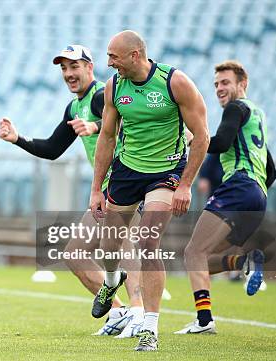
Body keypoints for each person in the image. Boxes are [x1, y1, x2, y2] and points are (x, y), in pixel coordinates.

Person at [0, 45, 145, 338]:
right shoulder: (75, 106)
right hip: (106, 189)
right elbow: (53, 148)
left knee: (122, 243)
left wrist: (96, 125)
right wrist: (17, 139)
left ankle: (140, 312)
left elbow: (131, 124)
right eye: (64, 68)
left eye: (74, 66)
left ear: (90, 67)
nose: (68, 74)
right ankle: (119, 312)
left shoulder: (105, 94)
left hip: (130, 180)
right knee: (75, 254)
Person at [88, 31, 209, 351]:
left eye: (114, 57)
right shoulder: (115, 85)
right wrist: (96, 189)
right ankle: (112, 282)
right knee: (109, 247)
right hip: (127, 171)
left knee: (147, 241)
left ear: (135, 55)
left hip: (166, 173)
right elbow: (107, 138)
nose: (109, 63)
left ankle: (149, 328)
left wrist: (185, 184)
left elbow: (202, 136)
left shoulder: (175, 82)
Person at [175, 60, 276, 335]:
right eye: (217, 84)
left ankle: (204, 320)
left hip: (239, 187)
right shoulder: (258, 114)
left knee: (193, 251)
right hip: (259, 195)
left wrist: (190, 135)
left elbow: (220, 143)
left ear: (242, 84)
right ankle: (244, 262)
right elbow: (272, 171)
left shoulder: (235, 108)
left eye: (225, 83)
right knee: (202, 259)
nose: (220, 88)